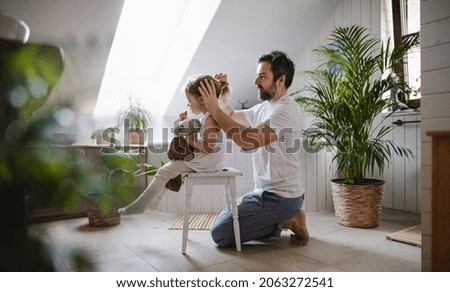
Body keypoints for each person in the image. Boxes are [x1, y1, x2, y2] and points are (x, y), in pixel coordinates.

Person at [199, 50, 310, 246]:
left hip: (282, 197)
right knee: (224, 220)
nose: (255, 81)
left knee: (221, 233)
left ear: (280, 80)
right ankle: (284, 219)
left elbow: (249, 141)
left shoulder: (286, 110)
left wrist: (214, 109)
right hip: (263, 192)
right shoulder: (264, 107)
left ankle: (290, 220)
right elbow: (231, 114)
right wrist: (222, 97)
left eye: (262, 76)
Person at [118, 75, 226, 215]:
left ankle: (141, 205)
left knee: (164, 171)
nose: (188, 104)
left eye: (189, 100)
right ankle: (153, 203)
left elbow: (209, 147)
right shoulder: (207, 118)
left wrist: (189, 141)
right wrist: (185, 123)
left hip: (206, 163)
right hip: (206, 161)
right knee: (169, 171)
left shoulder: (210, 119)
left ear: (201, 99)